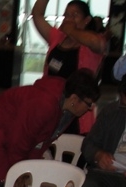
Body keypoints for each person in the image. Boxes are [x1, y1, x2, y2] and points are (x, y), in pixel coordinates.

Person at [0, 69, 99, 187]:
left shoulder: (66, 110)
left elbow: (39, 142)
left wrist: (27, 170)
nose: (90, 109)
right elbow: (19, 140)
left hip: (5, 139)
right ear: (74, 99)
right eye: (89, 104)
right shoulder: (45, 104)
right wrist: (18, 171)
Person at [31, 0, 106, 134]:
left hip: (77, 114)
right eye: (66, 15)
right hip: (50, 108)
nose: (69, 19)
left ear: (86, 20)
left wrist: (71, 30)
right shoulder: (57, 38)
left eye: (74, 15)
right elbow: (37, 15)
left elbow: (98, 43)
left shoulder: (90, 45)